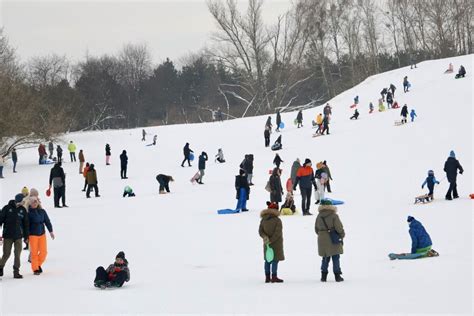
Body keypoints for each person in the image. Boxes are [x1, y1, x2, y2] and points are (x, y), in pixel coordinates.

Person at [315, 199, 345, 282]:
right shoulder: (334, 216)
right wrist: (342, 235)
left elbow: (316, 229)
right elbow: (339, 228)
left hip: (322, 239)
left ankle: (323, 276)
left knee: (325, 257)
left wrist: (322, 235)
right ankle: (337, 276)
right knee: (335, 257)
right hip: (333, 238)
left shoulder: (319, 216)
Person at [0, 193, 29, 279]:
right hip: (8, 235)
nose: (24, 202)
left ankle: (16, 271)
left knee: (17, 254)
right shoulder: (7, 208)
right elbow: (0, 219)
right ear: (19, 200)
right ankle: (0, 267)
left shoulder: (23, 210)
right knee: (6, 254)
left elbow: (26, 224)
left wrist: (26, 237)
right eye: (23, 200)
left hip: (18, 236)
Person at [27, 196, 54, 275]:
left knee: (44, 252)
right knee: (34, 253)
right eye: (33, 202)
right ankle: (35, 269)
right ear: (30, 203)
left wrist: (51, 231)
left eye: (36, 201)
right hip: (33, 235)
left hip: (42, 234)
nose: (34, 203)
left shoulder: (42, 211)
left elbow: (47, 221)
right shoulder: (28, 213)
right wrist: (26, 236)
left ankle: (37, 264)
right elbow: (26, 225)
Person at [258, 202, 284, 283]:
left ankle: (267, 277)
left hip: (266, 243)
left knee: (268, 260)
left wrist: (265, 238)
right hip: (276, 244)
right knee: (275, 260)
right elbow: (278, 232)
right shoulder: (277, 220)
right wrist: (271, 240)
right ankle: (274, 277)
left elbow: (260, 231)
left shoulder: (263, 219)